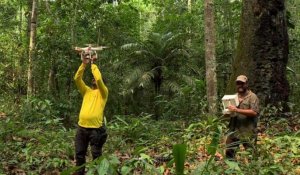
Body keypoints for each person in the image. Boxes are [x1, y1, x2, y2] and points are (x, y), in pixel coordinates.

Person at [73, 53, 109, 175]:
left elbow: (98, 79)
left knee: (96, 155)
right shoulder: (87, 91)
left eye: (95, 78)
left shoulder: (103, 93)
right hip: (81, 128)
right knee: (79, 154)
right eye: (92, 78)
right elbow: (77, 79)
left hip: (96, 131)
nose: (94, 79)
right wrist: (84, 63)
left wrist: (93, 63)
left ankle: (97, 173)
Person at [225, 75, 259, 159]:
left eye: (242, 83)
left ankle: (252, 170)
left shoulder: (252, 97)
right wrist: (227, 111)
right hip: (234, 130)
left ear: (246, 84)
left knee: (250, 153)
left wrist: (236, 109)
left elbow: (254, 112)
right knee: (229, 152)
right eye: (238, 83)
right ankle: (231, 170)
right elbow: (228, 113)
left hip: (247, 130)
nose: (240, 85)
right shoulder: (233, 97)